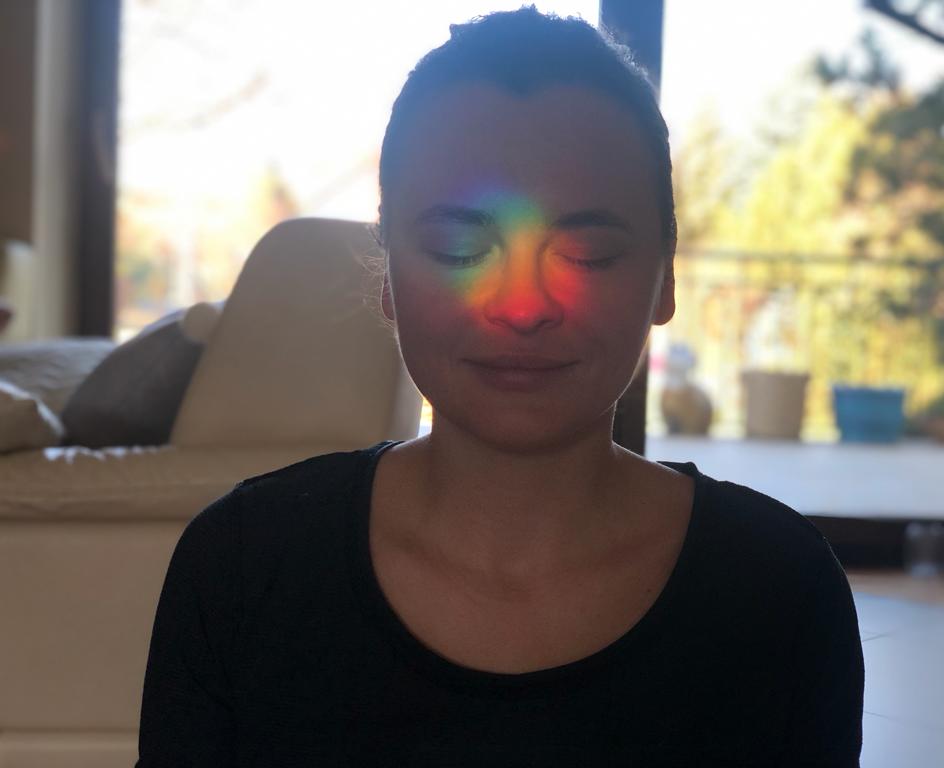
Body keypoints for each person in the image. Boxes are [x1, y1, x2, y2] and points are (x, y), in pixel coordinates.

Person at [136, 7, 864, 766]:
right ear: (388, 275)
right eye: (460, 248)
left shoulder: (778, 591)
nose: (522, 306)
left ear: (666, 277)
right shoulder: (244, 566)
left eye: (586, 254)